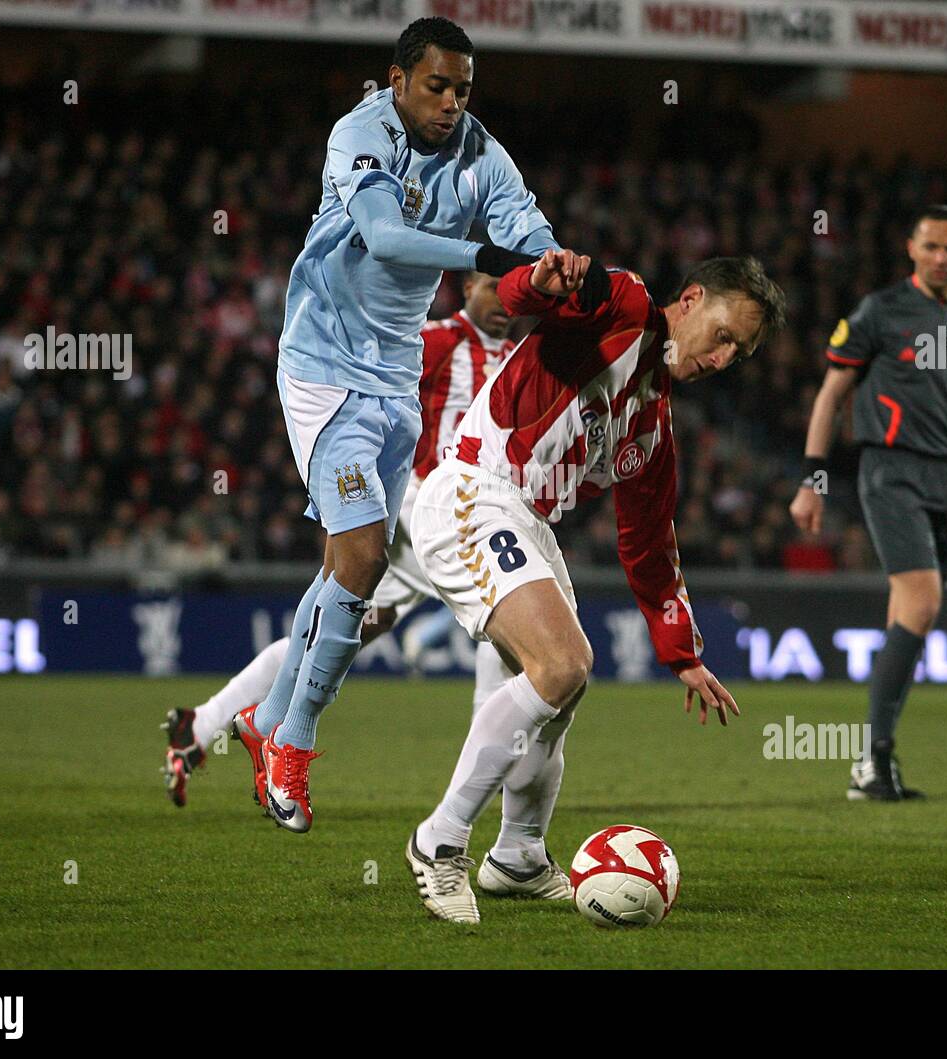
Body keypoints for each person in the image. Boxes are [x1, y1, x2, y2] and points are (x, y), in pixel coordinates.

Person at [244, 16, 602, 835]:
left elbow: (524, 222)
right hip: (324, 369)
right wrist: (495, 259)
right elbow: (384, 236)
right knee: (366, 557)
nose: (450, 103)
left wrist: (548, 259)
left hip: (397, 380)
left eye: (462, 89)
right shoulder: (359, 133)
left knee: (344, 564)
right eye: (436, 86)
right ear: (398, 80)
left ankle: (267, 714)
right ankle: (291, 741)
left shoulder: (481, 152)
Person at [405, 251, 786, 923]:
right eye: (725, 335)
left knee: (562, 689)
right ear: (692, 299)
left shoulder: (653, 425)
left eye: (740, 353)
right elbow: (534, 291)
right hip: (472, 489)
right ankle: (438, 840)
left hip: (526, 521)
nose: (724, 358)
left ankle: (517, 856)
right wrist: (540, 277)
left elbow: (648, 541)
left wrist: (682, 651)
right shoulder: (628, 305)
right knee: (563, 661)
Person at [161, 273, 523, 809]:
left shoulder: (518, 356)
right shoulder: (438, 339)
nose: (503, 299)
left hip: (465, 514)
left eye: (513, 290)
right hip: (427, 508)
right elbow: (372, 407)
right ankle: (477, 807)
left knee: (348, 625)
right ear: (468, 284)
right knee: (508, 625)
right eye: (493, 285)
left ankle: (203, 724)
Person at [790, 204, 947, 802]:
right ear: (911, 249)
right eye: (933, 246)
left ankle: (873, 765)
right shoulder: (881, 312)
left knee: (911, 615)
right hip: (891, 471)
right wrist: (812, 481)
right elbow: (830, 395)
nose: (943, 258)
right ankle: (874, 759)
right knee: (923, 601)